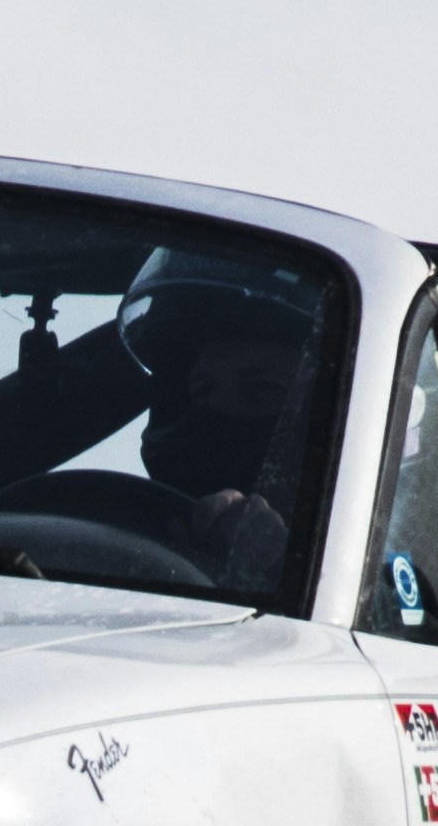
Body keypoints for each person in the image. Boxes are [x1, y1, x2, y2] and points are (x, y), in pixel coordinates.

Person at [119, 246, 326, 589]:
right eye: (200, 392)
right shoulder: (112, 532)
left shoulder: (361, 565)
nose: (217, 410)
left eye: (261, 390)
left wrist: (282, 567)